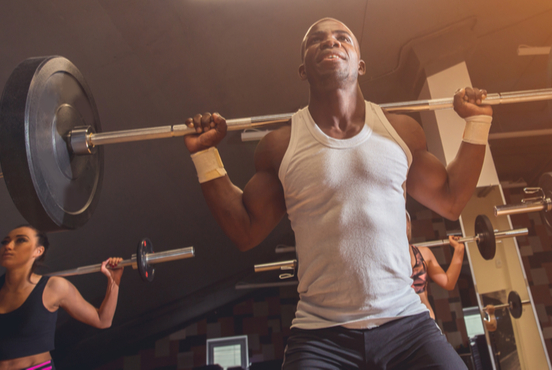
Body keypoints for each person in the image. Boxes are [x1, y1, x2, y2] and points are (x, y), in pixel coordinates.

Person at [184, 18, 493, 369]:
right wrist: (204, 154)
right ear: (303, 69)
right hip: (321, 336)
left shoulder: (401, 132)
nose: (330, 42)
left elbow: (451, 200)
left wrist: (478, 123)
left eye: (342, 37)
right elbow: (245, 230)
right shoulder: (281, 145)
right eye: (317, 40)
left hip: (406, 323)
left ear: (360, 64)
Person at [0, 225, 123, 370]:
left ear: (38, 251)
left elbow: (103, 320)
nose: (8, 246)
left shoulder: (54, 287)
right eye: (5, 241)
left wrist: (114, 281)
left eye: (20, 240)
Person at [405, 212, 497, 332]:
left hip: (425, 323)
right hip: (398, 324)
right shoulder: (382, 258)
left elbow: (448, 282)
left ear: (408, 225)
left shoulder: (423, 253)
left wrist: (459, 250)